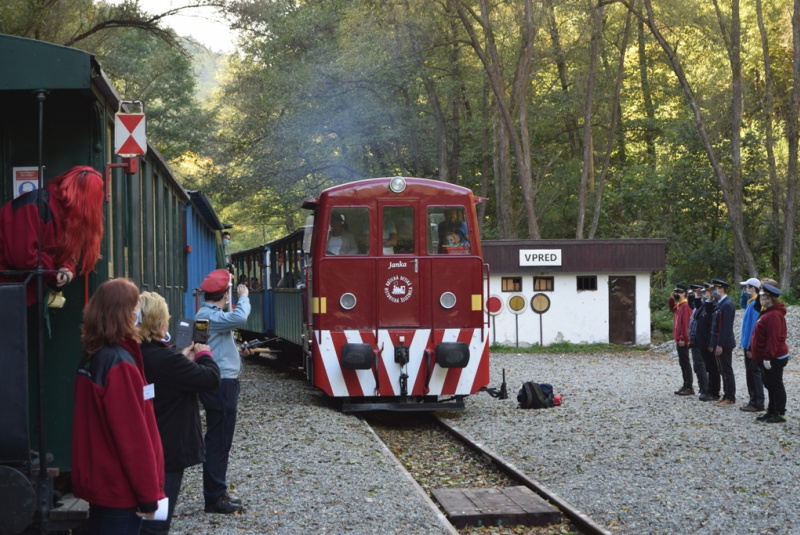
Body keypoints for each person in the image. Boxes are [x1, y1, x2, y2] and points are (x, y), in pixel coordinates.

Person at [71, 279, 164, 534]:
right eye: (135, 307)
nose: (138, 315)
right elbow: (133, 438)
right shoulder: (120, 364)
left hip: (102, 483)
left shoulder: (93, 356)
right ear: (124, 313)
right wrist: (148, 493)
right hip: (121, 490)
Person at [138, 292, 221, 535]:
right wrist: (204, 354)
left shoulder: (141, 353)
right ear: (159, 322)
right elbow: (211, 379)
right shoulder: (166, 358)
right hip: (168, 449)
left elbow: (169, 374)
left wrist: (183, 358)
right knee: (157, 521)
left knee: (144, 514)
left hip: (148, 443)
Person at [0, 165, 104, 306]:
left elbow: (66, 251)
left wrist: (66, 269)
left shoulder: (61, 212)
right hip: (9, 291)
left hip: (19, 293)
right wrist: (56, 271)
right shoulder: (34, 207)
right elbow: (24, 256)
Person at [196, 269, 251, 514]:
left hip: (219, 383)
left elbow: (213, 347)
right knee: (219, 442)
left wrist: (238, 351)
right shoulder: (211, 315)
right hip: (222, 385)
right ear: (225, 294)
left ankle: (217, 491)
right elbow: (241, 318)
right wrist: (245, 296)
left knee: (218, 440)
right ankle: (215, 497)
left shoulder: (206, 314)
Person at [750, 282, 790, 423]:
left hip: (774, 356)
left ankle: (780, 412)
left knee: (775, 384)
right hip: (766, 356)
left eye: (762, 296)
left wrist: (768, 357)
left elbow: (773, 338)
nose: (760, 298)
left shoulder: (774, 315)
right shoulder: (767, 312)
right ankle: (772, 410)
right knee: (769, 384)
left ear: (769, 298)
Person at [738, 277, 764, 412]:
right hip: (747, 344)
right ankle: (753, 400)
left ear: (753, 289)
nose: (745, 290)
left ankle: (757, 402)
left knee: (754, 373)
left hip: (751, 346)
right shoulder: (751, 303)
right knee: (750, 373)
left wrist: (750, 347)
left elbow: (754, 328)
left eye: (747, 287)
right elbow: (742, 303)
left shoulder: (756, 305)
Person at [709, 279, 736, 406]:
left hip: (724, 343)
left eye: (716, 288)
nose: (714, 291)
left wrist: (720, 344)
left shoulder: (727, 304)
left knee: (726, 370)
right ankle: (726, 395)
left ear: (722, 289)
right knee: (722, 370)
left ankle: (730, 396)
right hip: (718, 342)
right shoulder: (720, 303)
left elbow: (725, 327)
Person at [696, 283, 720, 402]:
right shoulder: (706, 305)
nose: (705, 294)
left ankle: (714, 392)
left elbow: (713, 326)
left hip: (708, 342)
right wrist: (697, 296)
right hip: (702, 341)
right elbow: (697, 310)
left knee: (713, 368)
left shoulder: (714, 305)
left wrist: (711, 343)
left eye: (707, 291)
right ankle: (710, 390)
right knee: (709, 367)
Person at [671, 284, 694, 395]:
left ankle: (689, 386)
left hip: (682, 339)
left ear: (684, 293)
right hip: (678, 338)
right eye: (676, 292)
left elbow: (686, 323)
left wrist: (683, 338)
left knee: (685, 362)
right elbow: (672, 308)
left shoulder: (685, 306)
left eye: (679, 292)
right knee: (682, 363)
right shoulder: (679, 305)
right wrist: (671, 298)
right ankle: (685, 384)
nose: (676, 294)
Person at [686, 284, 708, 398]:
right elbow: (692, 304)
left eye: (696, 292)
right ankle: (702, 388)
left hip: (700, 340)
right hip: (694, 339)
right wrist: (691, 296)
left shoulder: (705, 304)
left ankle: (704, 389)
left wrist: (697, 296)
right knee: (697, 366)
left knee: (700, 366)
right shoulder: (698, 305)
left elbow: (697, 305)